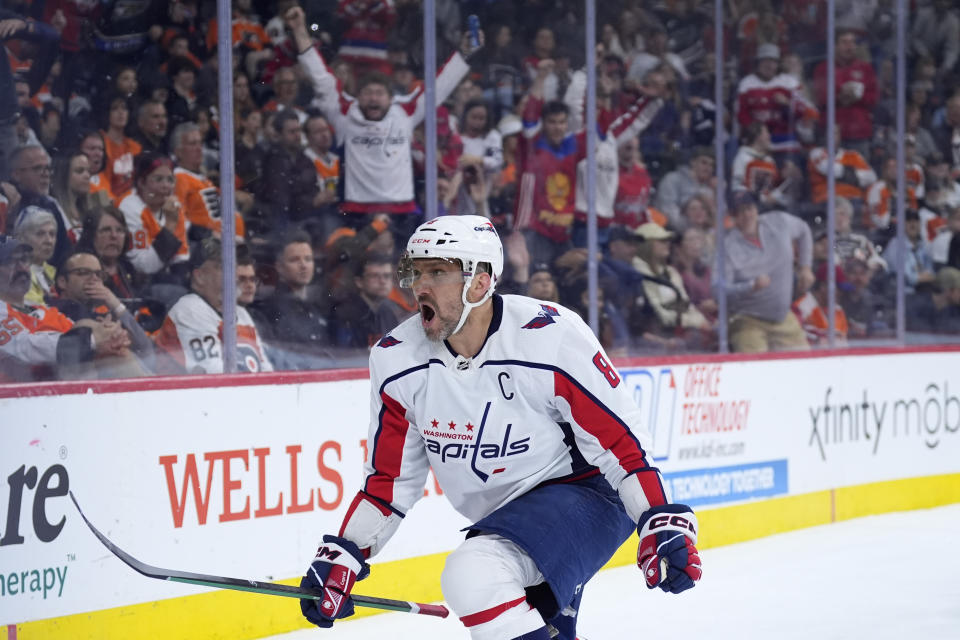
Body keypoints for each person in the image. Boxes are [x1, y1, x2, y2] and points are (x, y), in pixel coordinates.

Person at [297, 215, 702, 639]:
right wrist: (344, 552)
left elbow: (620, 443)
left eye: (438, 271)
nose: (421, 285)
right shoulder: (396, 359)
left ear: (480, 282)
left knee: (475, 572)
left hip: (589, 492)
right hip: (506, 517)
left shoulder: (550, 336)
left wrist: (657, 516)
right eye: (416, 272)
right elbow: (389, 480)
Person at [286, 5, 478, 237]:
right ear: (358, 96)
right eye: (368, 92)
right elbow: (320, 77)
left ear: (391, 98)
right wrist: (299, 30)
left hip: (402, 210)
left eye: (379, 93)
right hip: (356, 209)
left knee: (403, 270)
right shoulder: (345, 113)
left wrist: (464, 52)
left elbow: (440, 87)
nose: (373, 98)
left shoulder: (405, 112)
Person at [0, 236, 129, 382]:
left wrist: (108, 333)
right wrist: (93, 339)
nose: (22, 268)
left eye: (23, 260)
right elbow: (26, 349)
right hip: (22, 398)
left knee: (96, 333)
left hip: (62, 391)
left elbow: (77, 334)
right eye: (11, 262)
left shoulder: (41, 309)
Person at [154, 238, 273, 374]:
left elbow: (266, 370)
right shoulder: (189, 310)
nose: (233, 275)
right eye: (223, 267)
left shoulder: (241, 313)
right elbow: (215, 376)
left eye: (233, 267)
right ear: (200, 277)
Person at [722, 192, 814, 353]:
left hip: (782, 317)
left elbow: (804, 230)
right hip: (747, 320)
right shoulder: (727, 247)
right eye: (739, 211)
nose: (746, 215)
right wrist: (750, 286)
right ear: (732, 217)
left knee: (805, 365)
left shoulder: (778, 222)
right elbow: (719, 290)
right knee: (754, 369)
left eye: (749, 208)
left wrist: (805, 267)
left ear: (756, 209)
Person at [50, 250, 154, 373]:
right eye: (84, 273)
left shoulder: (104, 313)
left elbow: (146, 349)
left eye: (99, 274)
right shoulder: (50, 312)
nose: (94, 278)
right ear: (62, 282)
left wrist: (115, 304)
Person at [250, 231, 332, 366]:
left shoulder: (318, 306)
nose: (303, 265)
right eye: (294, 260)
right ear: (279, 267)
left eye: (308, 259)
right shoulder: (270, 309)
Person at [171, 122, 246, 243]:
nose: (199, 148)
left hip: (229, 245)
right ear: (178, 151)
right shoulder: (179, 178)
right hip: (208, 248)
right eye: (192, 144)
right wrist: (208, 235)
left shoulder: (202, 179)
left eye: (200, 143)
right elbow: (179, 221)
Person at [118, 152, 188, 281]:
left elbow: (181, 259)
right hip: (136, 280)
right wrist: (170, 225)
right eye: (158, 179)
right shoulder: (129, 207)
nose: (166, 186)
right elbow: (144, 267)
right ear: (141, 182)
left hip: (165, 276)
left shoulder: (172, 206)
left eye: (170, 180)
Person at [9, 145, 72, 267]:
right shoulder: (6, 204)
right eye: (37, 168)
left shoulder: (50, 205)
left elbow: (64, 252)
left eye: (47, 169)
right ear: (16, 174)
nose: (45, 174)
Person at [331, 253, 407, 348]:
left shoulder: (388, 313)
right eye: (375, 276)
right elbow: (345, 355)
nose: (382, 281)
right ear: (359, 282)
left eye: (387, 276)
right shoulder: (345, 315)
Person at [13, 207, 58, 305]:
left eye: (52, 234)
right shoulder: (12, 274)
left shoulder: (55, 273)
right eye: (40, 234)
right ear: (21, 238)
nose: (49, 241)